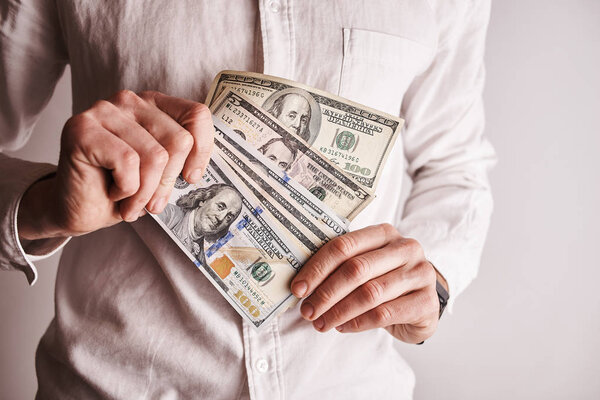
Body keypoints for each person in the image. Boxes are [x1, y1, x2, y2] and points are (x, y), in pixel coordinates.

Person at [0, 1, 495, 399]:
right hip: (111, 384)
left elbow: (455, 167)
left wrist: (433, 282)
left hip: (350, 384)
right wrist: (43, 206)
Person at [158, 183, 242, 260]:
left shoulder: (200, 260)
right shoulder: (167, 214)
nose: (220, 218)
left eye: (229, 217)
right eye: (220, 206)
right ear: (204, 200)